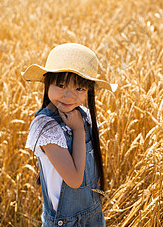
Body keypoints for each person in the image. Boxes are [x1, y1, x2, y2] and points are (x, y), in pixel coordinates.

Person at [22, 43, 117, 227]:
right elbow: (74, 180)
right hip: (65, 222)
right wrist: (78, 130)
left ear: (89, 90)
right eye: (61, 85)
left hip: (94, 216)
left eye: (79, 89)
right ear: (47, 82)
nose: (69, 96)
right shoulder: (47, 127)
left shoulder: (82, 115)